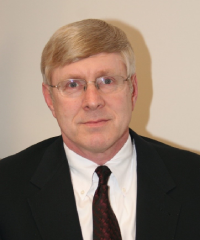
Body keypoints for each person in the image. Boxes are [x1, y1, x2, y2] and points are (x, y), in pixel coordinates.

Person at [0, 19, 200, 240]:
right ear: (49, 99)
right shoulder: (5, 188)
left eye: (107, 81)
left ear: (132, 90)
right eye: (73, 84)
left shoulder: (194, 180)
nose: (92, 101)